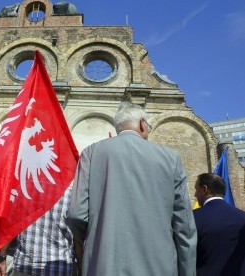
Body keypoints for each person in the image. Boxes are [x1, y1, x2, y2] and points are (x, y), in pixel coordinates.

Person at [67, 101, 197, 276]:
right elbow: (184, 226)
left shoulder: (91, 154)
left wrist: (95, 239)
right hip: (159, 267)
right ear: (143, 124)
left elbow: (76, 214)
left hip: (103, 265)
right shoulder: (170, 158)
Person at [0, 186, 75, 276]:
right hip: (58, 268)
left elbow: (10, 226)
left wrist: (1, 257)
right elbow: (78, 238)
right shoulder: (71, 195)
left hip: (24, 266)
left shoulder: (24, 190)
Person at [193, 173, 245, 276]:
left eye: (196, 189)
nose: (195, 194)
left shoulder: (193, 218)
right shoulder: (242, 216)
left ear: (205, 189)